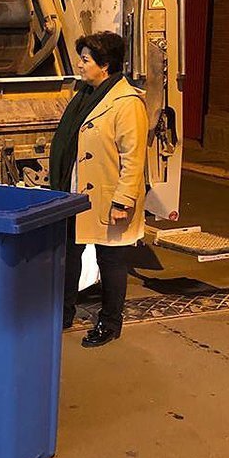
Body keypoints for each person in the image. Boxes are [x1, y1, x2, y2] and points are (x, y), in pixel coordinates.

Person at [49, 31, 148, 348]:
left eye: (86, 59)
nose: (80, 64)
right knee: (67, 254)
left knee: (112, 261)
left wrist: (123, 201)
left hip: (107, 197)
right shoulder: (85, 95)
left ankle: (110, 322)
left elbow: (133, 159)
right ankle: (62, 314)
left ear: (104, 65)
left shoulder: (127, 103)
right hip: (75, 193)